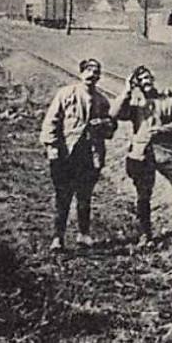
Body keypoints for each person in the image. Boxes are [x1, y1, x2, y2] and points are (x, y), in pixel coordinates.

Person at [110, 64, 172, 241]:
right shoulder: (135, 104)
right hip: (140, 154)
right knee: (143, 194)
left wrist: (161, 130)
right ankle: (145, 234)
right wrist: (127, 90)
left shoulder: (166, 101)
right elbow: (114, 114)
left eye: (148, 78)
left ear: (153, 79)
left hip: (165, 152)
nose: (146, 82)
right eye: (141, 80)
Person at [39, 58, 115, 252]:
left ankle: (83, 234)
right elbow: (51, 121)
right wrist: (52, 146)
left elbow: (110, 131)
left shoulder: (102, 101)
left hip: (90, 156)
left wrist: (105, 125)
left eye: (96, 71)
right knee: (62, 196)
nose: (92, 74)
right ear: (81, 73)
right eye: (88, 70)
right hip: (66, 153)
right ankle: (58, 237)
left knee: (85, 196)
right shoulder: (66, 94)